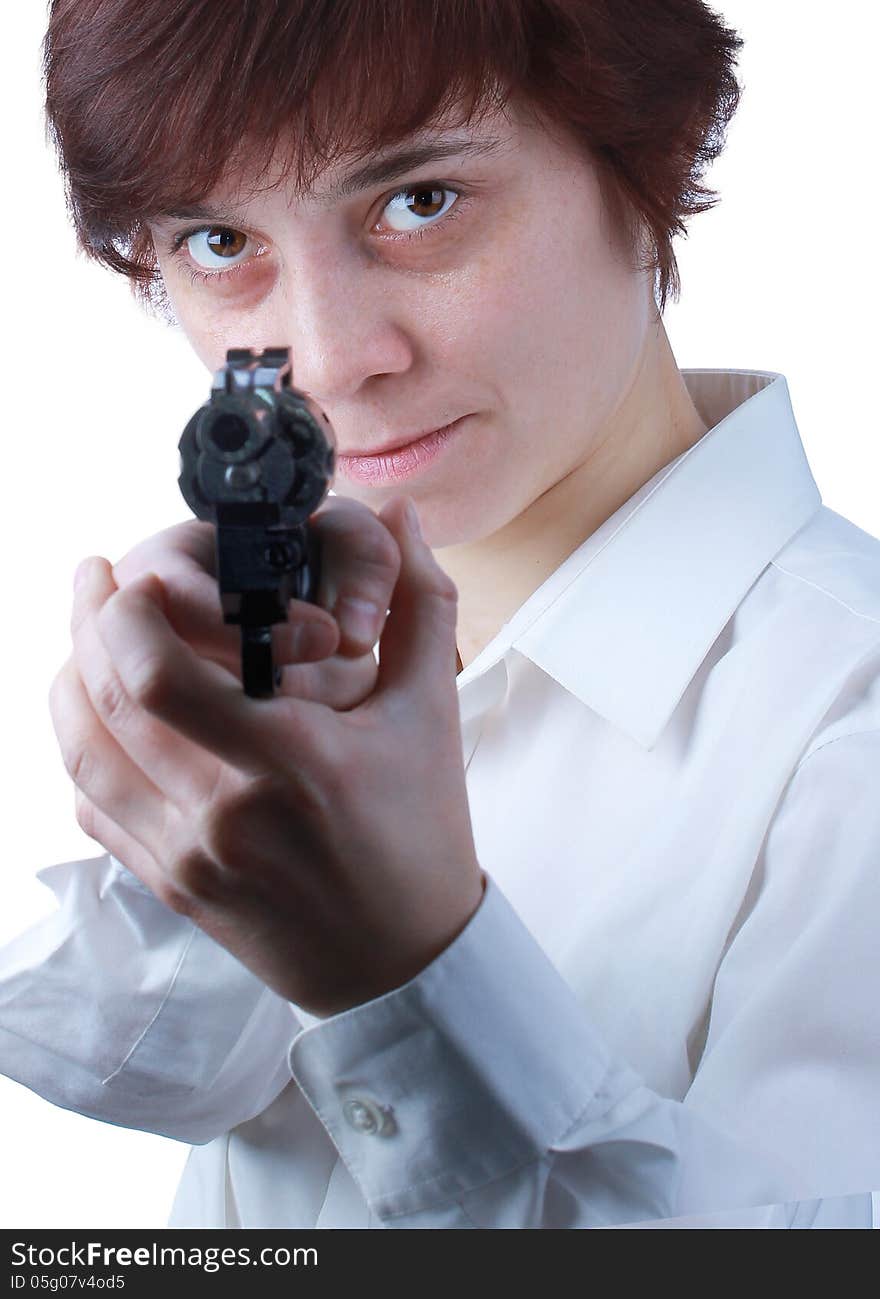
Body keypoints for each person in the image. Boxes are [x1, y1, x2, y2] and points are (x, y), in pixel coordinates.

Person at [0, 0, 878, 1230]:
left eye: (417, 202)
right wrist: (189, 799)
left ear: (654, 153)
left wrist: (399, 970)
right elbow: (138, 1067)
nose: (326, 356)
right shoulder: (313, 636)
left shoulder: (848, 730)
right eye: (217, 239)